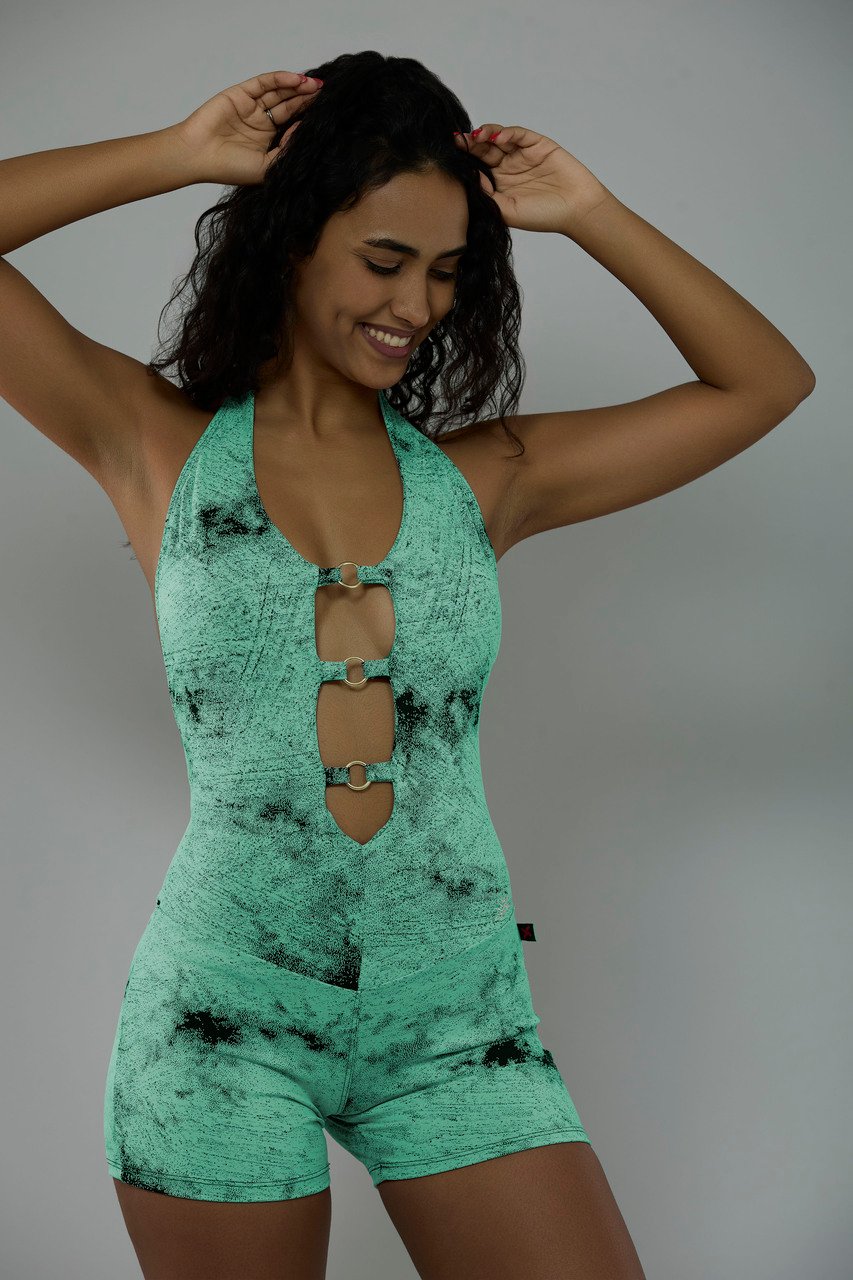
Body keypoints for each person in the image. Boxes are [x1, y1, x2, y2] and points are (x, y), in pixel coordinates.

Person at [0, 51, 813, 1280]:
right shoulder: (150, 442)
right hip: (223, 1019)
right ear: (291, 240)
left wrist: (592, 212)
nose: (417, 304)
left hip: (457, 1023)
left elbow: (764, 382)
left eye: (445, 270)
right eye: (384, 260)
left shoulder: (490, 478)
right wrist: (175, 153)